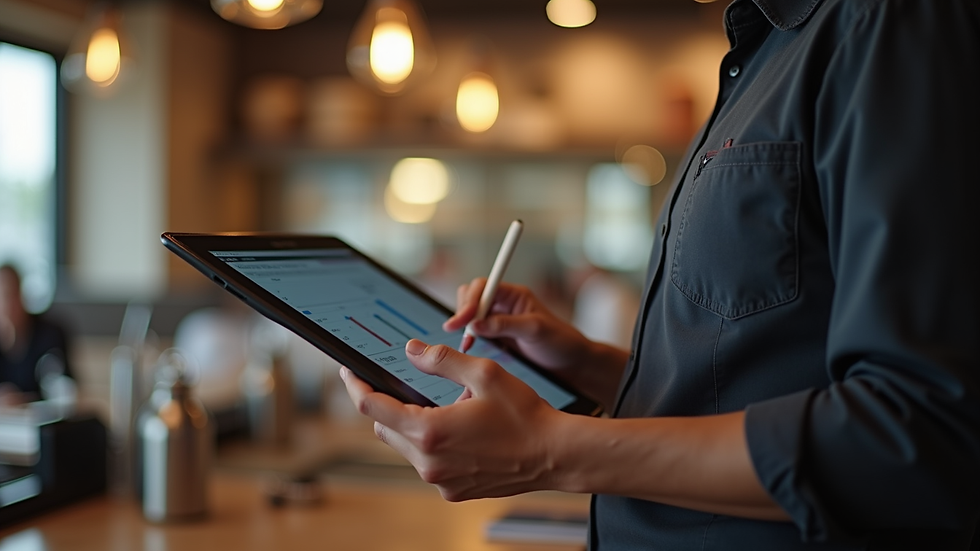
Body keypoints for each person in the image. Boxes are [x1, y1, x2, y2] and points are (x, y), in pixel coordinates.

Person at [340, 1, 980, 549]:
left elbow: (915, 441)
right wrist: (584, 363)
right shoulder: (766, 51)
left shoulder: (889, 23)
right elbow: (752, 390)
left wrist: (551, 448)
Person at [0, 264, 73, 403]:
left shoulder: (51, 334)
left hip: (42, 420)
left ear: (22, 294)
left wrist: (22, 400)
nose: (7, 304)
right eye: (2, 296)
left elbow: (63, 390)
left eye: (11, 294)